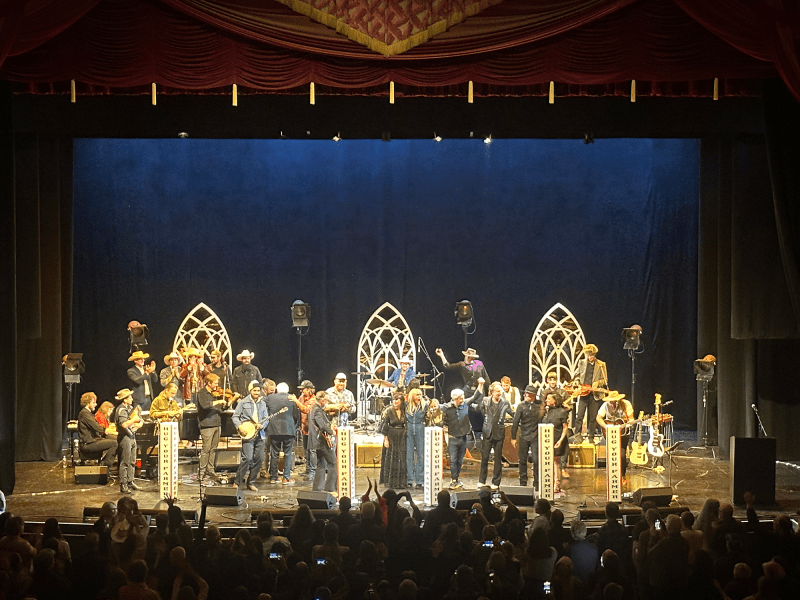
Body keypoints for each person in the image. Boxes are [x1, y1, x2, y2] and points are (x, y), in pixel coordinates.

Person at [439, 381, 485, 488]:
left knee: (460, 460)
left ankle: (456, 479)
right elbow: (436, 408)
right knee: (453, 460)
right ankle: (453, 480)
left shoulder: (465, 404)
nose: (462, 399)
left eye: (463, 397)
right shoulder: (447, 407)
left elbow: (475, 396)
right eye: (460, 398)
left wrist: (480, 385)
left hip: (463, 438)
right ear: (455, 399)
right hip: (453, 438)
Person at [474, 381, 514, 489]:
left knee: (497, 459)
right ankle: (482, 480)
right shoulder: (485, 400)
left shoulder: (505, 402)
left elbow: (512, 413)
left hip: (499, 433)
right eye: (497, 391)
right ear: (492, 392)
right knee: (484, 458)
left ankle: (496, 482)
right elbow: (479, 409)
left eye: (500, 391)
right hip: (487, 432)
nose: (499, 393)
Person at [231, 380, 268, 492]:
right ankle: (237, 482)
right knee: (247, 458)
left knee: (259, 458)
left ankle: (251, 482)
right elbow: (235, 416)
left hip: (260, 434)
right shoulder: (243, 402)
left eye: (258, 390)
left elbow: (266, 418)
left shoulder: (263, 403)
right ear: (250, 391)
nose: (257, 392)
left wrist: (262, 425)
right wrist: (239, 427)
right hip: (248, 434)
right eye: (254, 390)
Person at [511, 384, 545, 489]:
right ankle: (523, 482)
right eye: (525, 393)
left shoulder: (539, 405)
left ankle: (537, 482)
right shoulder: (521, 406)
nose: (526, 395)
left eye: (528, 394)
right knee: (522, 460)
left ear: (533, 395)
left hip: (535, 436)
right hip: (523, 435)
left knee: (536, 460)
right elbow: (515, 422)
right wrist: (513, 437)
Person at [595, 390, 634, 484]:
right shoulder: (605, 405)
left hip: (623, 433)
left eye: (614, 401)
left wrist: (628, 424)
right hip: (610, 432)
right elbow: (598, 418)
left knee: (621, 454)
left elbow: (631, 419)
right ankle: (612, 474)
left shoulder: (626, 404)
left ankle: (622, 475)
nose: (612, 403)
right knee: (611, 453)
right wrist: (605, 426)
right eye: (611, 401)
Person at [266, 382, 299, 485]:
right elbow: (296, 415)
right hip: (288, 429)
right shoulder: (291, 398)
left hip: (274, 429)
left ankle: (273, 477)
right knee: (287, 454)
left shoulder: (270, 398)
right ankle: (286, 478)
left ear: (277, 389)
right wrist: (293, 425)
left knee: (274, 453)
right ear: (287, 390)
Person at [196, 372, 227, 481]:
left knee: (213, 449)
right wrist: (217, 401)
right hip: (207, 424)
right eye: (215, 383)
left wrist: (226, 402)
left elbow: (221, 409)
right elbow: (205, 405)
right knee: (206, 449)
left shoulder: (215, 394)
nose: (217, 385)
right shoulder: (201, 393)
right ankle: (201, 472)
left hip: (217, 423)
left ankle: (210, 470)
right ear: (209, 383)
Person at [575, 344, 608, 441]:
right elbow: (577, 375)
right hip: (583, 393)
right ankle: (577, 436)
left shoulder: (601, 364)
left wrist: (598, 383)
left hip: (594, 395)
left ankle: (591, 437)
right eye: (588, 355)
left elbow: (605, 380)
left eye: (592, 355)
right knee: (580, 416)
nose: (590, 357)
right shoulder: (581, 363)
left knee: (593, 417)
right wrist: (577, 381)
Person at [77, 391, 118, 468]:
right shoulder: (84, 413)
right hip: (88, 443)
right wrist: (105, 430)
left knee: (117, 439)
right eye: (93, 402)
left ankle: (118, 463)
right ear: (88, 403)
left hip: (93, 440)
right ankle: (104, 465)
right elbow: (97, 427)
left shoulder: (88, 413)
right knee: (114, 443)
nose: (95, 405)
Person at [115, 388, 143, 493]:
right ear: (125, 399)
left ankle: (130, 481)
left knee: (132, 461)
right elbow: (124, 424)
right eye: (130, 397)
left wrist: (139, 424)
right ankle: (123, 484)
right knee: (125, 461)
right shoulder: (121, 410)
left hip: (132, 436)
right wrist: (133, 420)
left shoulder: (130, 408)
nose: (132, 399)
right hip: (124, 437)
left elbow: (140, 419)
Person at [309, 390, 337, 492]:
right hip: (322, 441)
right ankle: (330, 488)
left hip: (317, 442)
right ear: (322, 400)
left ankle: (318, 488)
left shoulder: (315, 408)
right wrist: (331, 431)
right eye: (326, 400)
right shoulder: (317, 410)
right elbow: (322, 425)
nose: (326, 402)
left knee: (321, 465)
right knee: (333, 463)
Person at [544, 391, 571, 496]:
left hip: (558, 439)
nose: (546, 400)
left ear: (554, 400)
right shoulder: (548, 411)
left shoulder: (562, 412)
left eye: (549, 398)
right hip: (548, 439)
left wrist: (560, 441)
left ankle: (557, 484)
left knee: (556, 462)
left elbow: (565, 428)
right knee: (549, 461)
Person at [381, 392, 408, 489]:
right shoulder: (389, 411)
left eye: (397, 400)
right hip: (392, 436)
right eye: (393, 400)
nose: (395, 402)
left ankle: (401, 482)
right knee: (392, 458)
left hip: (401, 437)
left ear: (401, 401)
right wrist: (386, 439)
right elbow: (385, 426)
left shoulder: (404, 411)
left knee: (401, 458)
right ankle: (391, 482)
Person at [404, 387, 428, 489]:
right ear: (412, 396)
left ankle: (420, 480)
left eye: (420, 395)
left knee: (420, 455)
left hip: (420, 429)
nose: (419, 397)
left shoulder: (425, 405)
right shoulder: (406, 405)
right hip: (409, 429)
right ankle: (409, 479)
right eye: (417, 395)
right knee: (409, 455)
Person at [296, 380, 318, 481]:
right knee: (306, 449)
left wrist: (295, 401)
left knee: (312, 450)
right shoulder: (302, 397)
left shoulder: (313, 400)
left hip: (312, 429)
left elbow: (305, 409)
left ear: (309, 390)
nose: (301, 391)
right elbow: (298, 405)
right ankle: (308, 468)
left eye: (303, 389)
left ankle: (313, 471)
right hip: (304, 428)